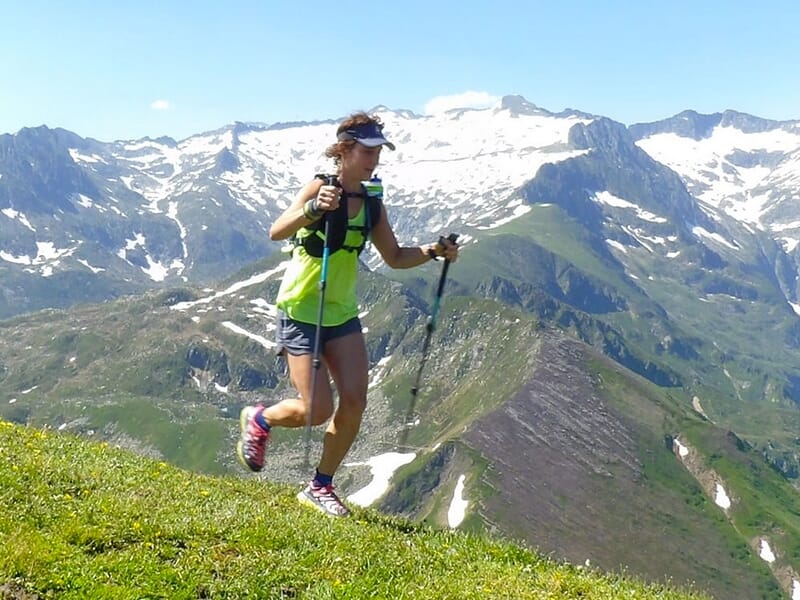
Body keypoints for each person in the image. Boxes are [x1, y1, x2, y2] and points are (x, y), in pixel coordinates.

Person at [236, 111, 459, 517]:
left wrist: (432, 251)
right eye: (367, 150)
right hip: (302, 309)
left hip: (340, 312)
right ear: (345, 150)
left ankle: (320, 486)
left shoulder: (373, 204)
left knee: (355, 401)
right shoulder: (320, 187)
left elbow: (393, 257)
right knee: (317, 409)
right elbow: (277, 231)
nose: (374, 158)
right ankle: (261, 419)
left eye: (378, 151)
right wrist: (312, 211)